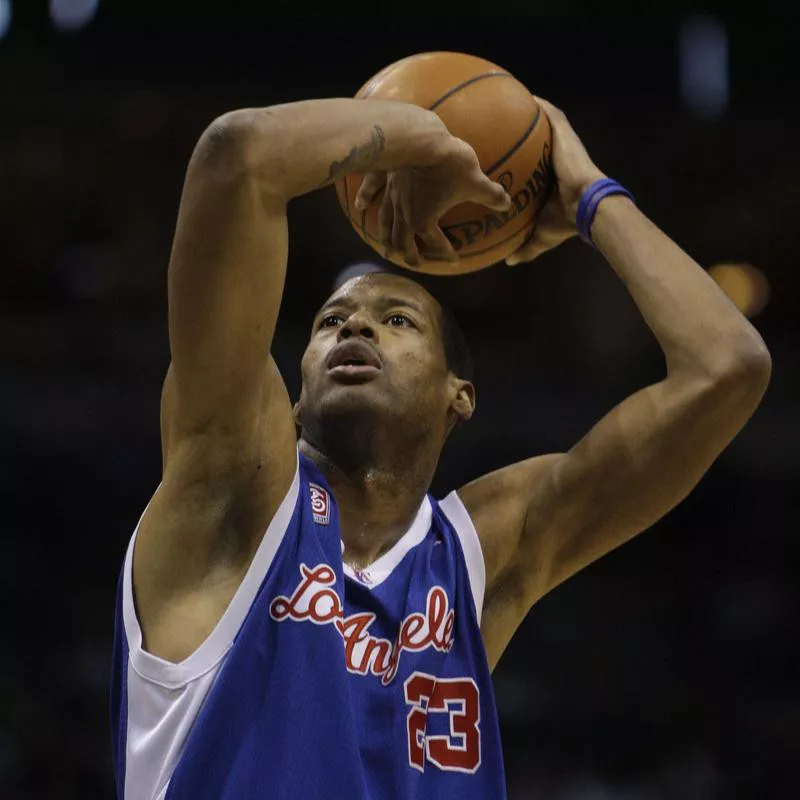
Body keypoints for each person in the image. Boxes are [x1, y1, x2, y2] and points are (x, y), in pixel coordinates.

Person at [109, 96, 771, 800]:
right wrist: (420, 135)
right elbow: (238, 155)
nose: (354, 331)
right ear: (293, 395)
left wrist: (588, 197)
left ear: (459, 395)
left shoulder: (478, 555)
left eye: (395, 320)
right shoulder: (234, 490)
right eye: (332, 322)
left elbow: (728, 368)